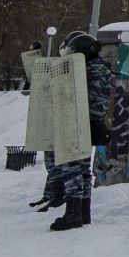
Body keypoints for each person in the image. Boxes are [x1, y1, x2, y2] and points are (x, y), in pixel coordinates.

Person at [49, 30, 115, 232]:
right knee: (83, 170)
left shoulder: (91, 70)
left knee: (72, 168)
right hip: (88, 123)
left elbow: (84, 97)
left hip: (79, 122)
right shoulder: (99, 68)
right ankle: (83, 211)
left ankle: (73, 212)